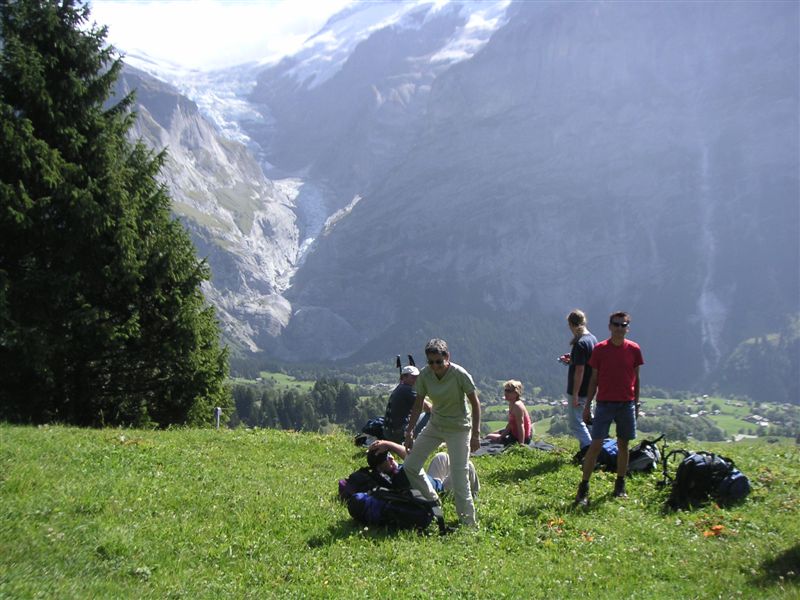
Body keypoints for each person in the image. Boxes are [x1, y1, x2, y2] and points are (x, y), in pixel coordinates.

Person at [402, 338, 481, 526]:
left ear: (447, 357)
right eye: (431, 362)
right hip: (435, 425)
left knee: (459, 477)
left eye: (439, 361)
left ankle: (468, 524)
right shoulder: (425, 375)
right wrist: (409, 432)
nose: (435, 366)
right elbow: (418, 404)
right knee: (410, 466)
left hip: (459, 428)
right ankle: (433, 500)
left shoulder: (459, 374)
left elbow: (475, 404)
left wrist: (475, 435)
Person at [574, 311, 644, 506]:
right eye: (616, 324)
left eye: (623, 325)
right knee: (595, 445)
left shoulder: (634, 349)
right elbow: (594, 379)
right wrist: (588, 405)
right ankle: (584, 486)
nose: (619, 328)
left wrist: (636, 403)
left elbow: (636, 379)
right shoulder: (600, 349)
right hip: (604, 403)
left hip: (626, 404)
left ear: (627, 328)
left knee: (623, 445)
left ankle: (620, 484)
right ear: (610, 326)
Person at [367, 439, 480, 497]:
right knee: (467, 466)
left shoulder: (393, 472)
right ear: (380, 468)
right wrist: (389, 444)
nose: (391, 458)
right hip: (440, 492)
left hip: (433, 481)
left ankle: (454, 480)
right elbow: (411, 456)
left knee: (441, 456)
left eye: (389, 454)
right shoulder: (399, 477)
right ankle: (473, 494)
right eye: (386, 460)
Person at [559, 309, 597, 450]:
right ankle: (597, 449)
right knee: (587, 420)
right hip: (590, 388)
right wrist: (572, 360)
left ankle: (589, 451)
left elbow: (580, 370)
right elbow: (587, 364)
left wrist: (575, 394)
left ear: (571, 324)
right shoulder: (592, 339)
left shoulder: (579, 343)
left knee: (576, 423)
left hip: (579, 390)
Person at [383, 365, 431, 443]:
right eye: (413, 377)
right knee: (431, 414)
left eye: (417, 377)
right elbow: (428, 408)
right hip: (400, 433)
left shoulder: (400, 387)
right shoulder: (408, 390)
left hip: (389, 432)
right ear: (404, 377)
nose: (416, 379)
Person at [484, 380, 532, 445]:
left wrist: (521, 444)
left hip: (520, 437)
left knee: (488, 437)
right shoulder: (511, 403)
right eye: (505, 390)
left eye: (509, 391)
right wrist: (502, 436)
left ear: (516, 393)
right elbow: (511, 423)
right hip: (513, 431)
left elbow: (521, 426)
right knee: (493, 433)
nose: (506, 393)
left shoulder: (517, 406)